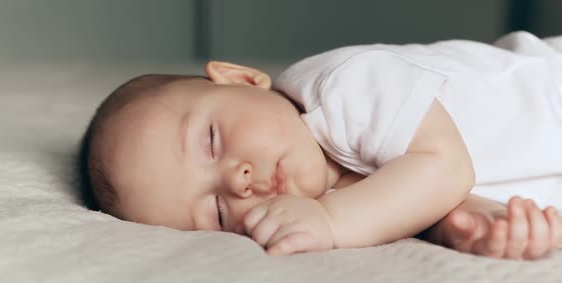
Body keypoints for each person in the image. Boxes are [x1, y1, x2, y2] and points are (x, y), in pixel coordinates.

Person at [77, 31, 562, 260]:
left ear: (242, 79)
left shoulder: (338, 86)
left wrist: (331, 224)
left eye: (210, 140)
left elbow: (444, 168)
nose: (236, 179)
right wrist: (475, 231)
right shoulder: (341, 199)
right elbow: (429, 202)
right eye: (218, 213)